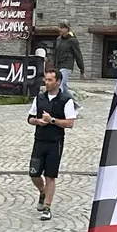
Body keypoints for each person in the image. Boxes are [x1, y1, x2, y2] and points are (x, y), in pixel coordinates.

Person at [25, 58, 76, 221]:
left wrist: (52, 120)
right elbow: (30, 118)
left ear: (58, 82)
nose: (46, 83)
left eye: (50, 80)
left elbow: (70, 123)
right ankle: (42, 191)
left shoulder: (66, 101)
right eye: (45, 79)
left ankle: (47, 207)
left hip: (55, 142)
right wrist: (37, 121)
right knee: (33, 173)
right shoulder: (39, 98)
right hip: (39, 140)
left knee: (50, 176)